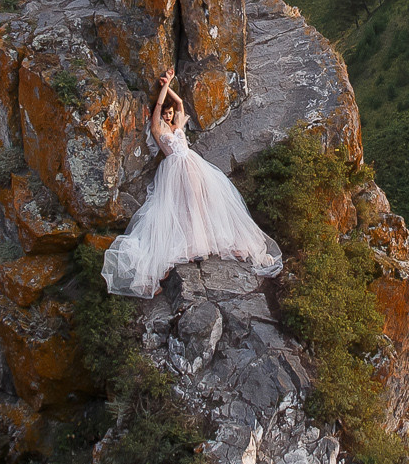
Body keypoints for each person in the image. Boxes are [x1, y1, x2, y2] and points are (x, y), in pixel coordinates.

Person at [101, 66, 283, 297]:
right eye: (165, 114)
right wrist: (164, 86)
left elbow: (179, 106)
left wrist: (171, 84)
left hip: (193, 165)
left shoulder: (177, 125)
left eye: (168, 114)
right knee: (182, 205)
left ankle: (205, 239)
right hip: (175, 169)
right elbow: (158, 107)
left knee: (200, 201)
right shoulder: (158, 130)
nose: (167, 116)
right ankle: (190, 244)